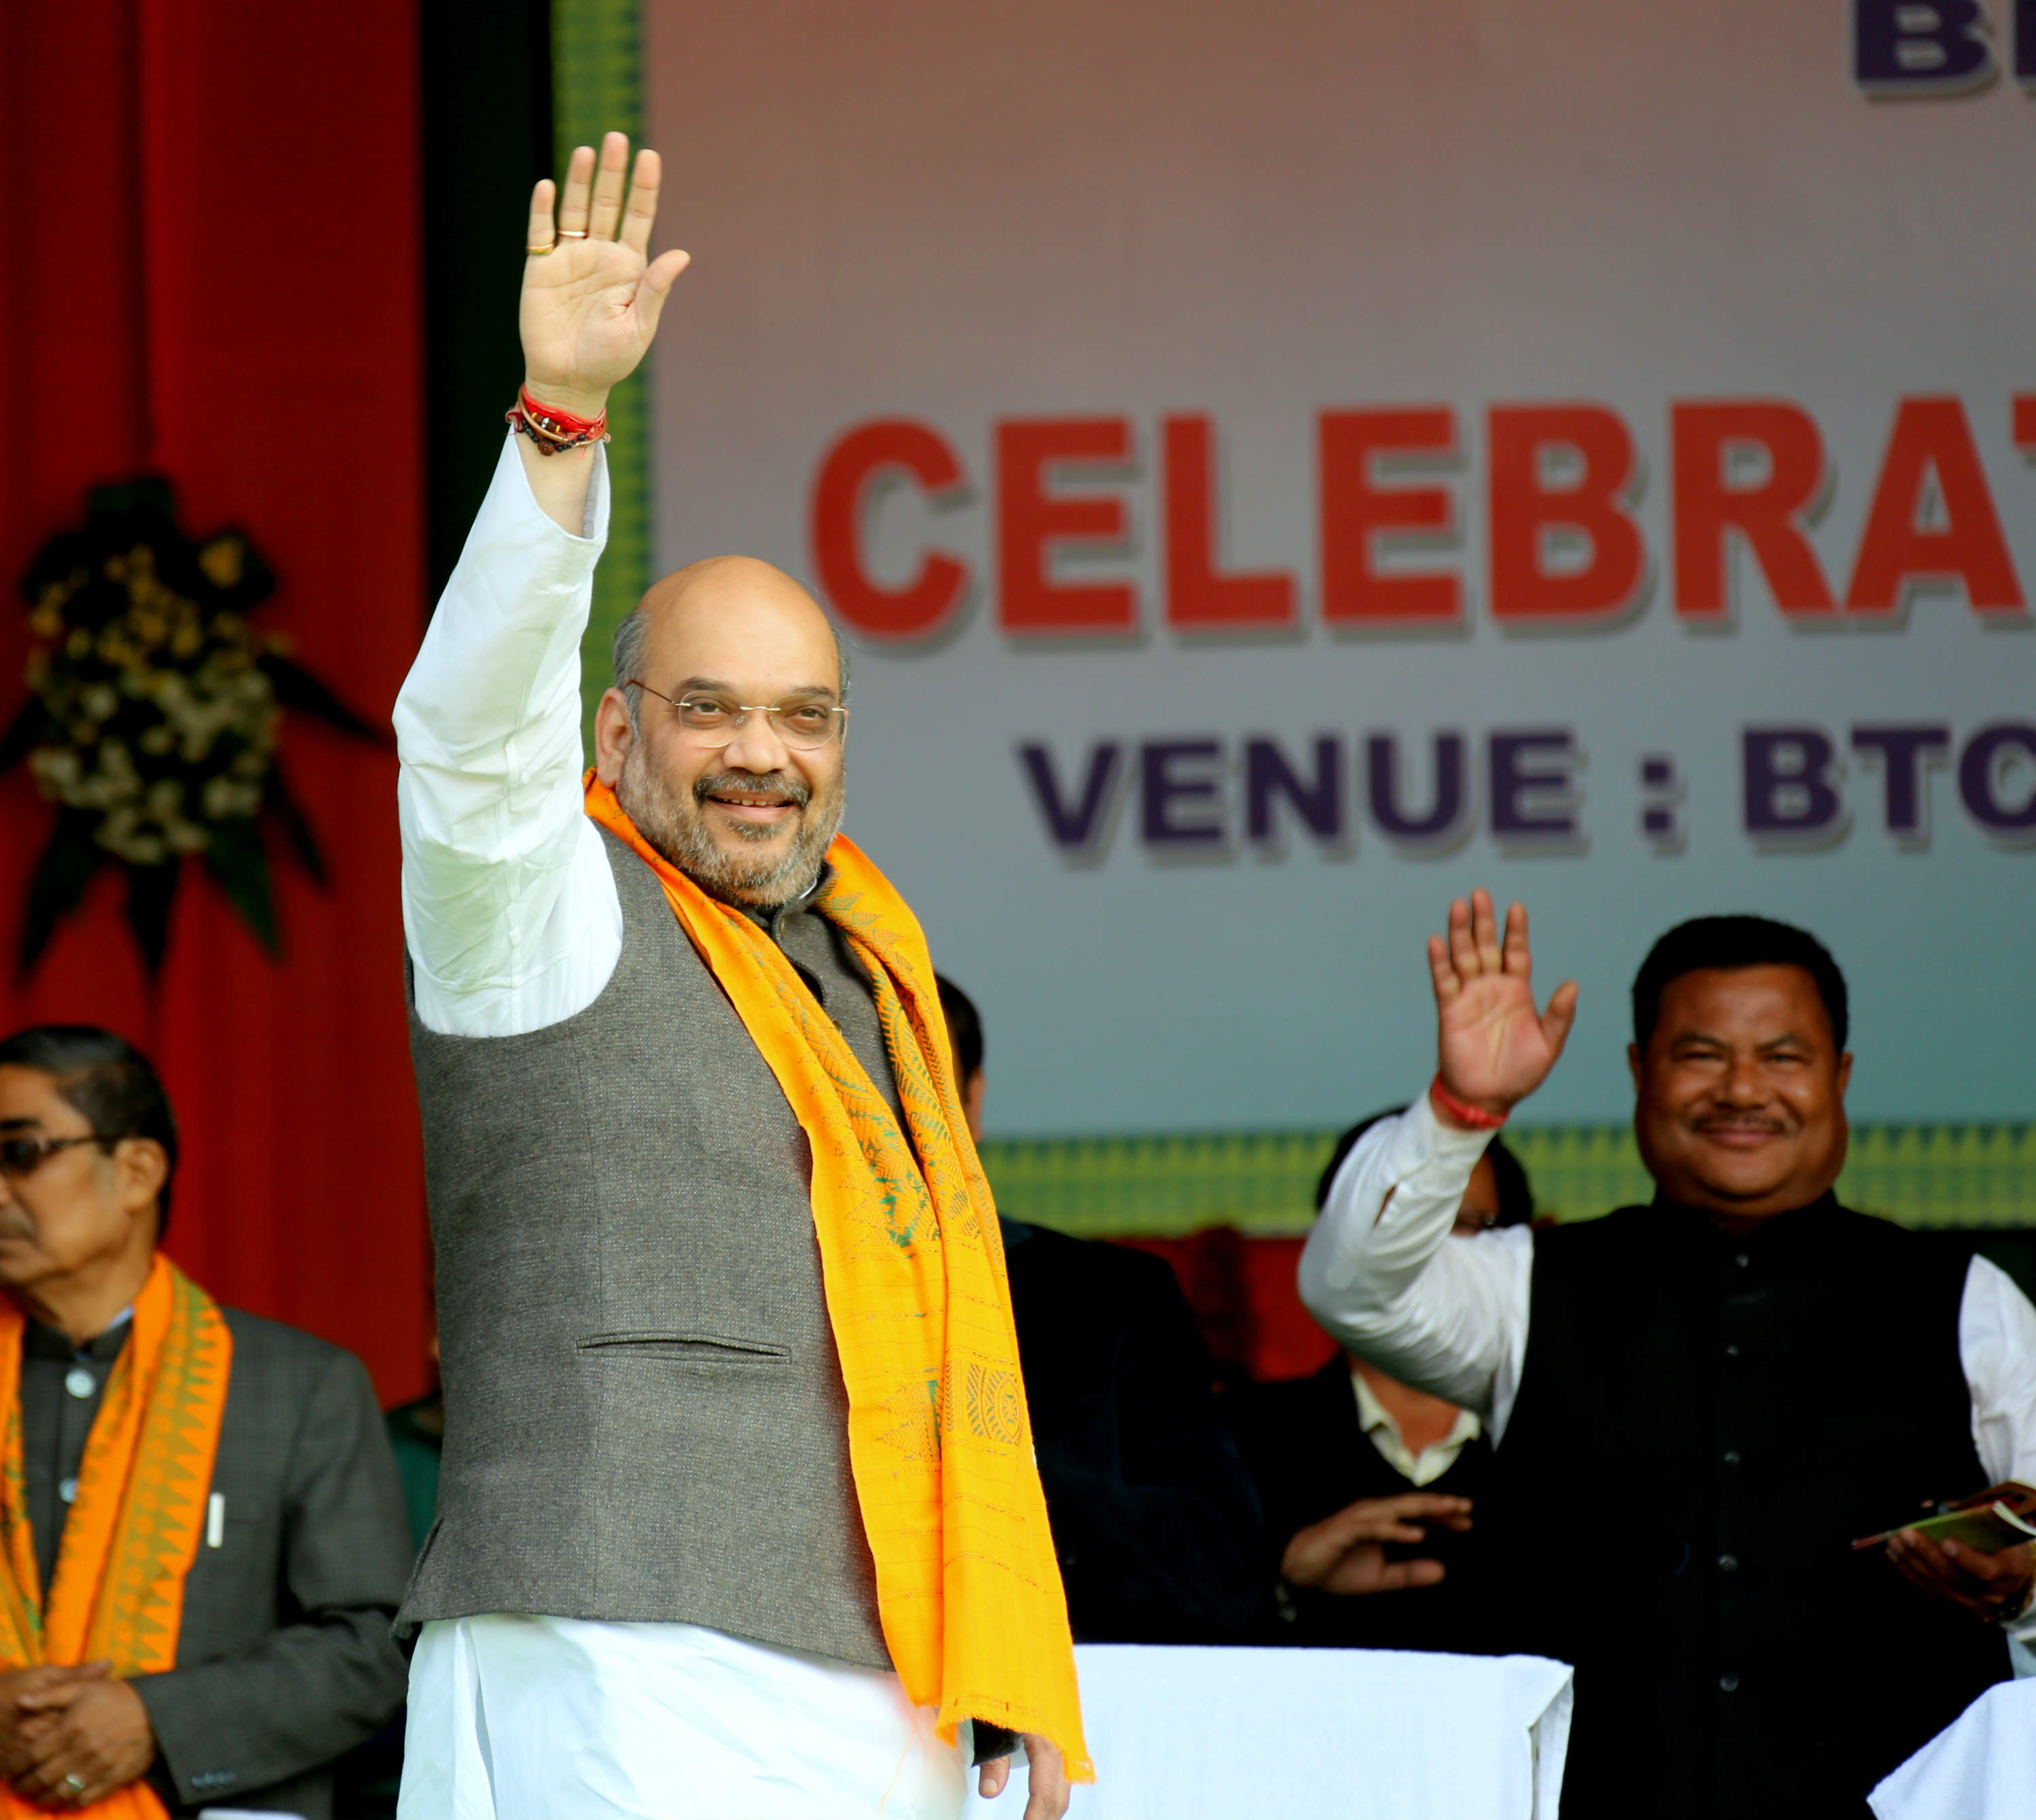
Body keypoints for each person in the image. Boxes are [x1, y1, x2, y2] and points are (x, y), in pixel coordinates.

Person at [392, 134, 1085, 1819]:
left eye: (803, 717)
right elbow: (469, 738)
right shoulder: (535, 911)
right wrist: (557, 424)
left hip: (890, 1676)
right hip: (619, 1649)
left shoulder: (869, 969)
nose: (759, 758)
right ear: (618, 733)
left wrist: (1009, 1667)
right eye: (708, 710)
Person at [1300, 895, 2036, 1819]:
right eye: (1701, 1054)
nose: (1740, 1090)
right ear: (1640, 1070)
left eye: (1783, 1056)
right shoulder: (1526, 1282)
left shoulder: (1963, 1296)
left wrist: (2030, 1573)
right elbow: (1352, 1284)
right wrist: (1460, 1108)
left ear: (1839, 1074)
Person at [0, 1027, 410, 1819]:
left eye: (20, 1153)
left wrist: (155, 1721)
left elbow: (372, 1648)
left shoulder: (301, 1390)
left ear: (137, 1171)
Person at [934, 974, 1265, 1643]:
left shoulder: (1111, 1298)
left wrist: (998, 1481)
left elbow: (1223, 1565)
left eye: (917, 1084)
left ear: (973, 1100)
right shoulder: (763, 1305)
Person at [1231, 1111, 1531, 1653]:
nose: (1431, 1254)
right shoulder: (1238, 1439)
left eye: (1469, 1227)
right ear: (1331, 1244)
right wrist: (1285, 1580)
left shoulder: (1568, 1440)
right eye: (1402, 1225)